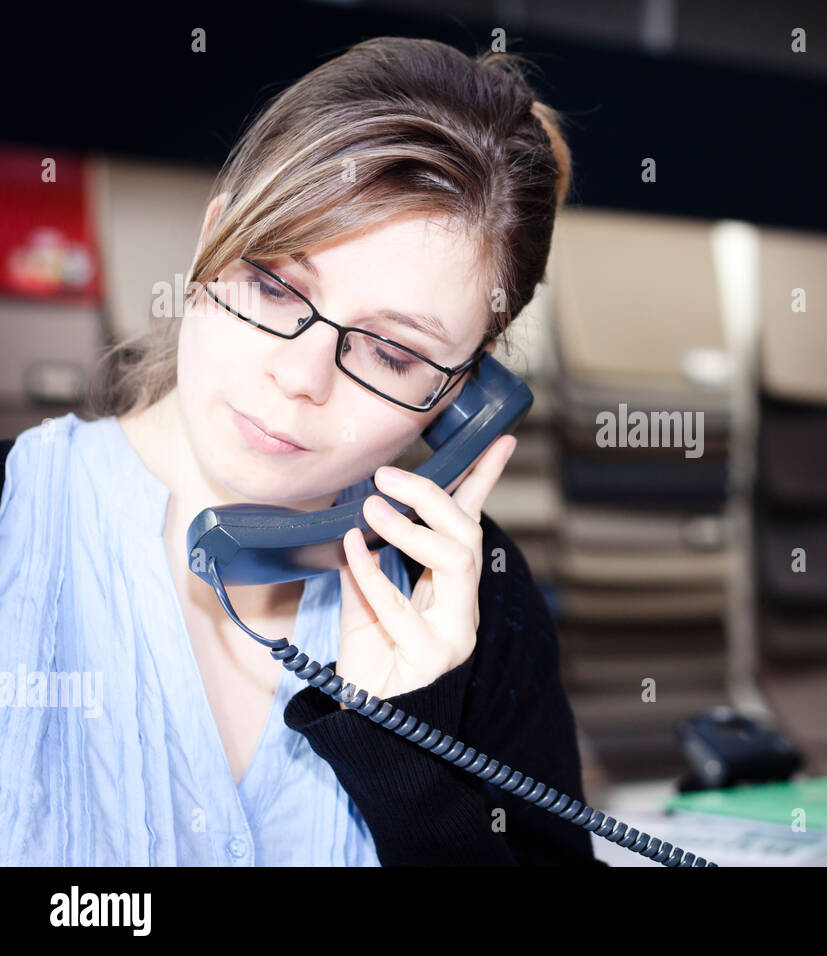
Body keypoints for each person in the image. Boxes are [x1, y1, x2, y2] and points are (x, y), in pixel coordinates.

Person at [0, 36, 603, 867]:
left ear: (464, 398)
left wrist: (407, 760)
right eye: (276, 287)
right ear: (214, 241)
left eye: (394, 354)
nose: (299, 374)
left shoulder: (474, 603)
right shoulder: (14, 517)